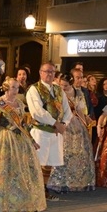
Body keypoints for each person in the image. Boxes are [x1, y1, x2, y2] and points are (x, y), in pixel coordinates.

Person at [0, 77, 46, 212]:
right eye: (13, 87)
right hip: (4, 139)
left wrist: (32, 141)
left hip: (20, 141)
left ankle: (22, 202)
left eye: (17, 87)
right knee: (5, 171)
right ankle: (3, 203)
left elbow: (23, 124)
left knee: (21, 171)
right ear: (6, 88)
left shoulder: (19, 103)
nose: (16, 90)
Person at [26, 62, 73, 200]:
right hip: (41, 132)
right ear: (40, 72)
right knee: (38, 163)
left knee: (49, 163)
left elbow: (67, 110)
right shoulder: (34, 89)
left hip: (56, 133)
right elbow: (37, 112)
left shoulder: (58, 90)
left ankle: (44, 190)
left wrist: (63, 124)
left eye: (52, 72)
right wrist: (55, 123)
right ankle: (35, 192)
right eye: (46, 71)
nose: (49, 74)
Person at [47, 73, 97, 193]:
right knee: (63, 153)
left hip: (75, 123)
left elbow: (79, 109)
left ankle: (77, 181)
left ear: (71, 84)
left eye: (65, 86)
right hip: (62, 123)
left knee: (79, 153)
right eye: (61, 85)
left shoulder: (77, 93)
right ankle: (60, 182)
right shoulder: (56, 92)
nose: (63, 88)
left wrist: (85, 125)